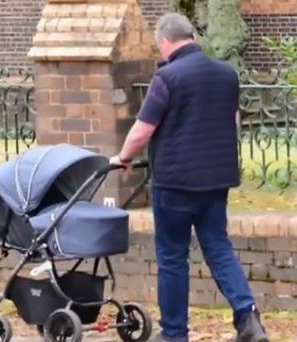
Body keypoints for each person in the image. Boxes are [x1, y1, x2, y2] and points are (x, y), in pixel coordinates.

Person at [109, 12, 269, 342]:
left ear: (165, 42)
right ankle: (248, 318)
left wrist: (123, 157)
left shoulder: (167, 78)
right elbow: (233, 121)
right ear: (192, 37)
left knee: (172, 258)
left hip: (175, 184)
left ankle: (175, 334)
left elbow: (143, 129)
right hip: (216, 181)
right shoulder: (227, 75)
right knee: (219, 248)